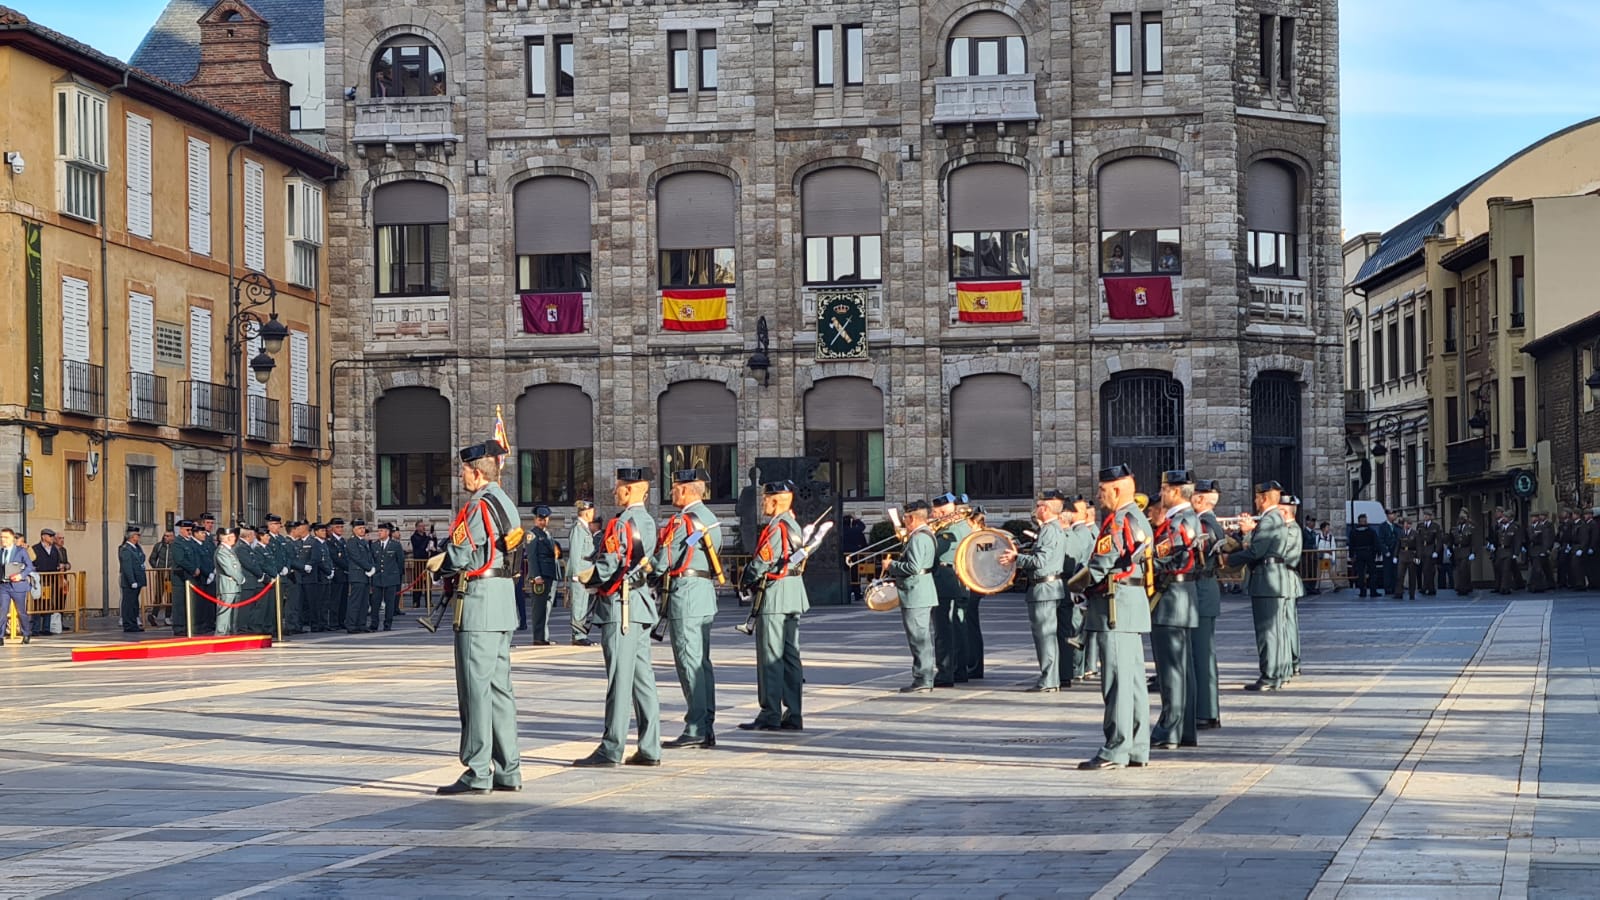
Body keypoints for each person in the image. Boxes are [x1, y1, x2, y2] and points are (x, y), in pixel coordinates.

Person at [429, 439, 523, 794]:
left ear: (476, 471)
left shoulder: (477, 506)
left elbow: (462, 552)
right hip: (502, 602)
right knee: (501, 689)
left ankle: (478, 769)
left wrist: (443, 562)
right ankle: (508, 768)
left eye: (464, 470)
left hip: (479, 601)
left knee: (475, 691)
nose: (461, 476)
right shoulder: (507, 504)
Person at [573, 467, 662, 767]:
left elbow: (611, 563)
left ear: (632, 489)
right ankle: (650, 747)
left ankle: (612, 747)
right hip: (639, 604)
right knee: (642, 680)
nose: (615, 492)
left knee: (619, 680)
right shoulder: (648, 521)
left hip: (620, 606)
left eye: (620, 487)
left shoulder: (622, 523)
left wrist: (590, 577)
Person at [1072, 464, 1154, 770]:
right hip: (1130, 606)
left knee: (1117, 682)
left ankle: (1116, 748)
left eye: (1101, 490)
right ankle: (1137, 747)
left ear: (1116, 490)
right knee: (1133, 683)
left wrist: (1075, 586)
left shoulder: (1118, 522)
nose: (1098, 496)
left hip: (1114, 607)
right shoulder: (1139, 518)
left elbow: (1102, 564)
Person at [654, 469, 724, 749]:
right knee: (702, 663)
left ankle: (695, 726)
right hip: (704, 593)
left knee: (689, 662)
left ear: (685, 491)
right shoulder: (711, 519)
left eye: (674, 489)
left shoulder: (684, 521)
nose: (672, 493)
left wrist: (649, 569)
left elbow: (666, 559)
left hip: (686, 593)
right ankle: (706, 724)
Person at [739, 480, 809, 731]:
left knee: (770, 657)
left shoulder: (777, 527)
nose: (762, 503)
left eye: (765, 498)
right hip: (793, 595)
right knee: (791, 657)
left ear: (776, 499)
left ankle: (769, 713)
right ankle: (794, 713)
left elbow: (763, 561)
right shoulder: (793, 525)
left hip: (776, 595)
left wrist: (746, 578)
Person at [1223, 480, 1296, 691]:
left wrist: (1229, 560)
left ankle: (1270, 676)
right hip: (1273, 577)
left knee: (1268, 631)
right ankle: (1279, 673)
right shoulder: (1274, 519)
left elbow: (1256, 551)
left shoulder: (1270, 519)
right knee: (1276, 630)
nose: (1255, 501)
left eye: (1257, 497)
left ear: (1264, 498)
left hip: (1267, 579)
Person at [999, 489, 1071, 692]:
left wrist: (1016, 558)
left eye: (1039, 505)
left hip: (1044, 588)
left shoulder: (1049, 530)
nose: (1036, 509)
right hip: (1049, 588)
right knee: (1048, 636)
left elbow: (1041, 561)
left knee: (1045, 637)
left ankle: (1049, 680)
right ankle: (1052, 678)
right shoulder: (1053, 528)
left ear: (1045, 509)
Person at [1150, 470, 1201, 751]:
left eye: (1164, 488)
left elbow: (1167, 560)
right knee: (1182, 669)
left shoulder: (1178, 522)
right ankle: (1184, 729)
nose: (1161, 494)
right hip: (1183, 597)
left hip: (1171, 598)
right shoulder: (1188, 518)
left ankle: (1170, 729)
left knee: (1171, 670)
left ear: (1175, 492)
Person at [884, 499, 938, 693]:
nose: (904, 521)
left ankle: (923, 677)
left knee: (918, 638)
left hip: (916, 592)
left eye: (905, 517)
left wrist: (891, 566)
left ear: (912, 518)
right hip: (922, 590)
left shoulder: (918, 537)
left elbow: (913, 567)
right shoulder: (926, 535)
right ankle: (924, 676)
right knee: (920, 636)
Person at [1190, 480, 1225, 729]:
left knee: (1201, 655)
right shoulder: (1211, 521)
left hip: (1201, 590)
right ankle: (1208, 709)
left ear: (1201, 499)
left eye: (1193, 496)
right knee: (1204, 654)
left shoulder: (1204, 524)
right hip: (1206, 589)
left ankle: (1206, 711)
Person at [928, 493, 972, 687]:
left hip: (947, 581)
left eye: (934, 511)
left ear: (943, 510)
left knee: (944, 630)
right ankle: (960, 669)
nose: (932, 514)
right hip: (958, 580)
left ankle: (946, 672)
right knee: (958, 628)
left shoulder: (951, 529)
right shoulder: (963, 525)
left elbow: (934, 553)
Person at [525, 506, 559, 645]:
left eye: (544, 520)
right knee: (539, 607)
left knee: (547, 606)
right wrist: (536, 575)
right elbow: (532, 557)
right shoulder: (532, 535)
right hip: (540, 575)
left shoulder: (547, 534)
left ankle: (544, 636)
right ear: (535, 520)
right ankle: (539, 637)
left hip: (550, 573)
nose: (542, 522)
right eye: (540, 520)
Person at [567, 500, 597, 645]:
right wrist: (575, 573)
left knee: (585, 604)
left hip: (587, 571)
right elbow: (575, 552)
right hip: (580, 573)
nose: (593, 514)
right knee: (579, 604)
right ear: (586, 512)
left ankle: (581, 632)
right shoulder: (578, 529)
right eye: (592, 511)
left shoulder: (584, 528)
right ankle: (578, 635)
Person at [2, 527, 36, 645]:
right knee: (2, 611)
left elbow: (30, 566)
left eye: (5, 537)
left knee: (21, 611)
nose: (3, 540)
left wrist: (21, 576)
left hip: (18, 585)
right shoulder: (1, 551)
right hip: (4, 586)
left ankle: (26, 633)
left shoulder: (20, 551)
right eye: (1, 537)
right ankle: (0, 636)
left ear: (12, 538)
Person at [212, 527, 246, 637]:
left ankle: (231, 632)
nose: (234, 538)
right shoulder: (222, 551)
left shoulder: (230, 550)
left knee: (233, 614)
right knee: (224, 612)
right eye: (231, 537)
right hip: (227, 587)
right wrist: (240, 578)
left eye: (233, 536)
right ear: (224, 539)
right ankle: (221, 633)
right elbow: (229, 569)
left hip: (234, 586)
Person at [373, 522, 407, 630]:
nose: (379, 533)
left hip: (391, 578)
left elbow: (400, 561)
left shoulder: (395, 545)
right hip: (378, 577)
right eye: (378, 531)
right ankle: (374, 624)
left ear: (387, 532)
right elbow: (372, 560)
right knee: (375, 602)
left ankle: (388, 624)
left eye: (381, 531)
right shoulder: (374, 545)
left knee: (390, 602)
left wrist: (396, 574)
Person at [343, 520, 375, 633]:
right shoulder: (352, 542)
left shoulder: (364, 542)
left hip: (365, 576)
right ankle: (351, 625)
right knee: (355, 602)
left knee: (364, 602)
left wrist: (372, 566)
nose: (362, 530)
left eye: (363, 528)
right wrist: (368, 567)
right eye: (359, 528)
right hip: (357, 575)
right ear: (354, 530)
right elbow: (356, 558)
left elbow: (369, 557)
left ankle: (361, 624)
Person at [29, 528, 62, 636]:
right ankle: (36, 629)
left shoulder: (54, 550)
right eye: (50, 536)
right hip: (39, 580)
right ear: (43, 536)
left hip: (50, 580)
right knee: (38, 604)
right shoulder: (36, 548)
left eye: (53, 536)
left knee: (48, 604)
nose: (52, 538)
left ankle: (46, 628)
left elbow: (58, 562)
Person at [118, 526, 147, 633]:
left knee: (134, 603)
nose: (138, 537)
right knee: (128, 603)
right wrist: (132, 581)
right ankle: (128, 624)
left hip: (138, 578)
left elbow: (142, 557)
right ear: (131, 537)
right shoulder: (125, 549)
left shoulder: (136, 547)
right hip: (130, 581)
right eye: (137, 535)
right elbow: (127, 567)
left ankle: (133, 623)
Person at [1348, 514, 1378, 597]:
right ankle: (1373, 591)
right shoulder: (1371, 531)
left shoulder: (1354, 531)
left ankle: (1362, 591)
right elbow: (1375, 543)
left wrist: (1351, 555)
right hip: (1368, 553)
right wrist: (1376, 553)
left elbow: (1351, 544)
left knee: (1361, 573)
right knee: (1372, 572)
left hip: (1359, 553)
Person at [1416, 510, 1443, 595]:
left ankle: (1425, 587)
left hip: (1430, 547)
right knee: (1425, 569)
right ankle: (1431, 588)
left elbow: (1439, 540)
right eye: (1425, 515)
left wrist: (1436, 551)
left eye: (1427, 515)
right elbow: (1418, 539)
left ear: (1431, 516)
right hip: (1422, 548)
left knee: (1428, 569)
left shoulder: (1435, 526)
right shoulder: (1420, 526)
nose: (1425, 517)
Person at [842, 515, 868, 603]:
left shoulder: (840, 531)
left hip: (843, 554)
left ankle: (846, 593)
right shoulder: (855, 530)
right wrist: (856, 521)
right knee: (855, 575)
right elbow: (862, 527)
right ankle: (857, 593)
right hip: (855, 554)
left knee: (844, 573)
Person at [1527, 511, 1555, 594]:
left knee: (1538, 568)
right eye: (1531, 517)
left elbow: (1546, 539)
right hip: (1533, 550)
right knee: (1538, 568)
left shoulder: (1542, 527)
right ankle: (1537, 585)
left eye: (1534, 517)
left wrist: (1545, 550)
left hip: (1540, 549)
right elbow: (1530, 537)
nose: (1532, 519)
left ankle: (1538, 586)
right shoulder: (1530, 527)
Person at [410, 520, 435, 608]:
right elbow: (420, 547)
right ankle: (416, 601)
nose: (423, 528)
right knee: (418, 582)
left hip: (427, 562)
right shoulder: (414, 537)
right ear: (417, 527)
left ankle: (429, 601)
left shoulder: (426, 536)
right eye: (421, 526)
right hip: (418, 561)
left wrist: (433, 538)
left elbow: (431, 545)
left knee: (428, 582)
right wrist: (428, 538)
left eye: (424, 526)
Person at [1396, 517, 1420, 601]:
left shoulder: (1415, 533)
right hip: (1402, 555)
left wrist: (1418, 557)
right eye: (1406, 524)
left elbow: (1418, 546)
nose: (1407, 525)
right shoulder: (1401, 533)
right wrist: (1395, 556)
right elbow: (1398, 545)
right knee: (1400, 575)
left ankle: (1412, 594)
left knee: (1412, 576)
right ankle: (1399, 593)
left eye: (1409, 524)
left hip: (1411, 555)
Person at [1452, 512, 1476, 595]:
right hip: (1458, 551)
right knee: (1459, 570)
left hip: (1466, 550)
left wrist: (1473, 552)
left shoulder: (1469, 528)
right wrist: (1449, 549)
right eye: (1460, 518)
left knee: (1464, 569)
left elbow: (1473, 541)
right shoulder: (1455, 529)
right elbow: (1452, 539)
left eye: (1462, 518)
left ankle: (1464, 588)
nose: (1461, 520)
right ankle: (1459, 587)